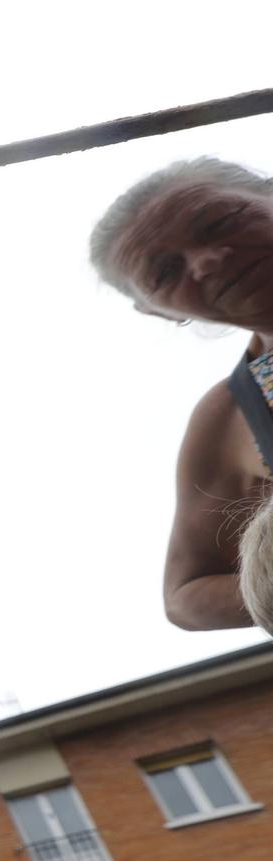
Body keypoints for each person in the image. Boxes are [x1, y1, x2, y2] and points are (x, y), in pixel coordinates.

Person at [88, 157, 273, 631]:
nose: (207, 260)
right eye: (165, 272)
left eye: (223, 220)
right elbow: (186, 595)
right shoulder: (234, 413)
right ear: (158, 312)